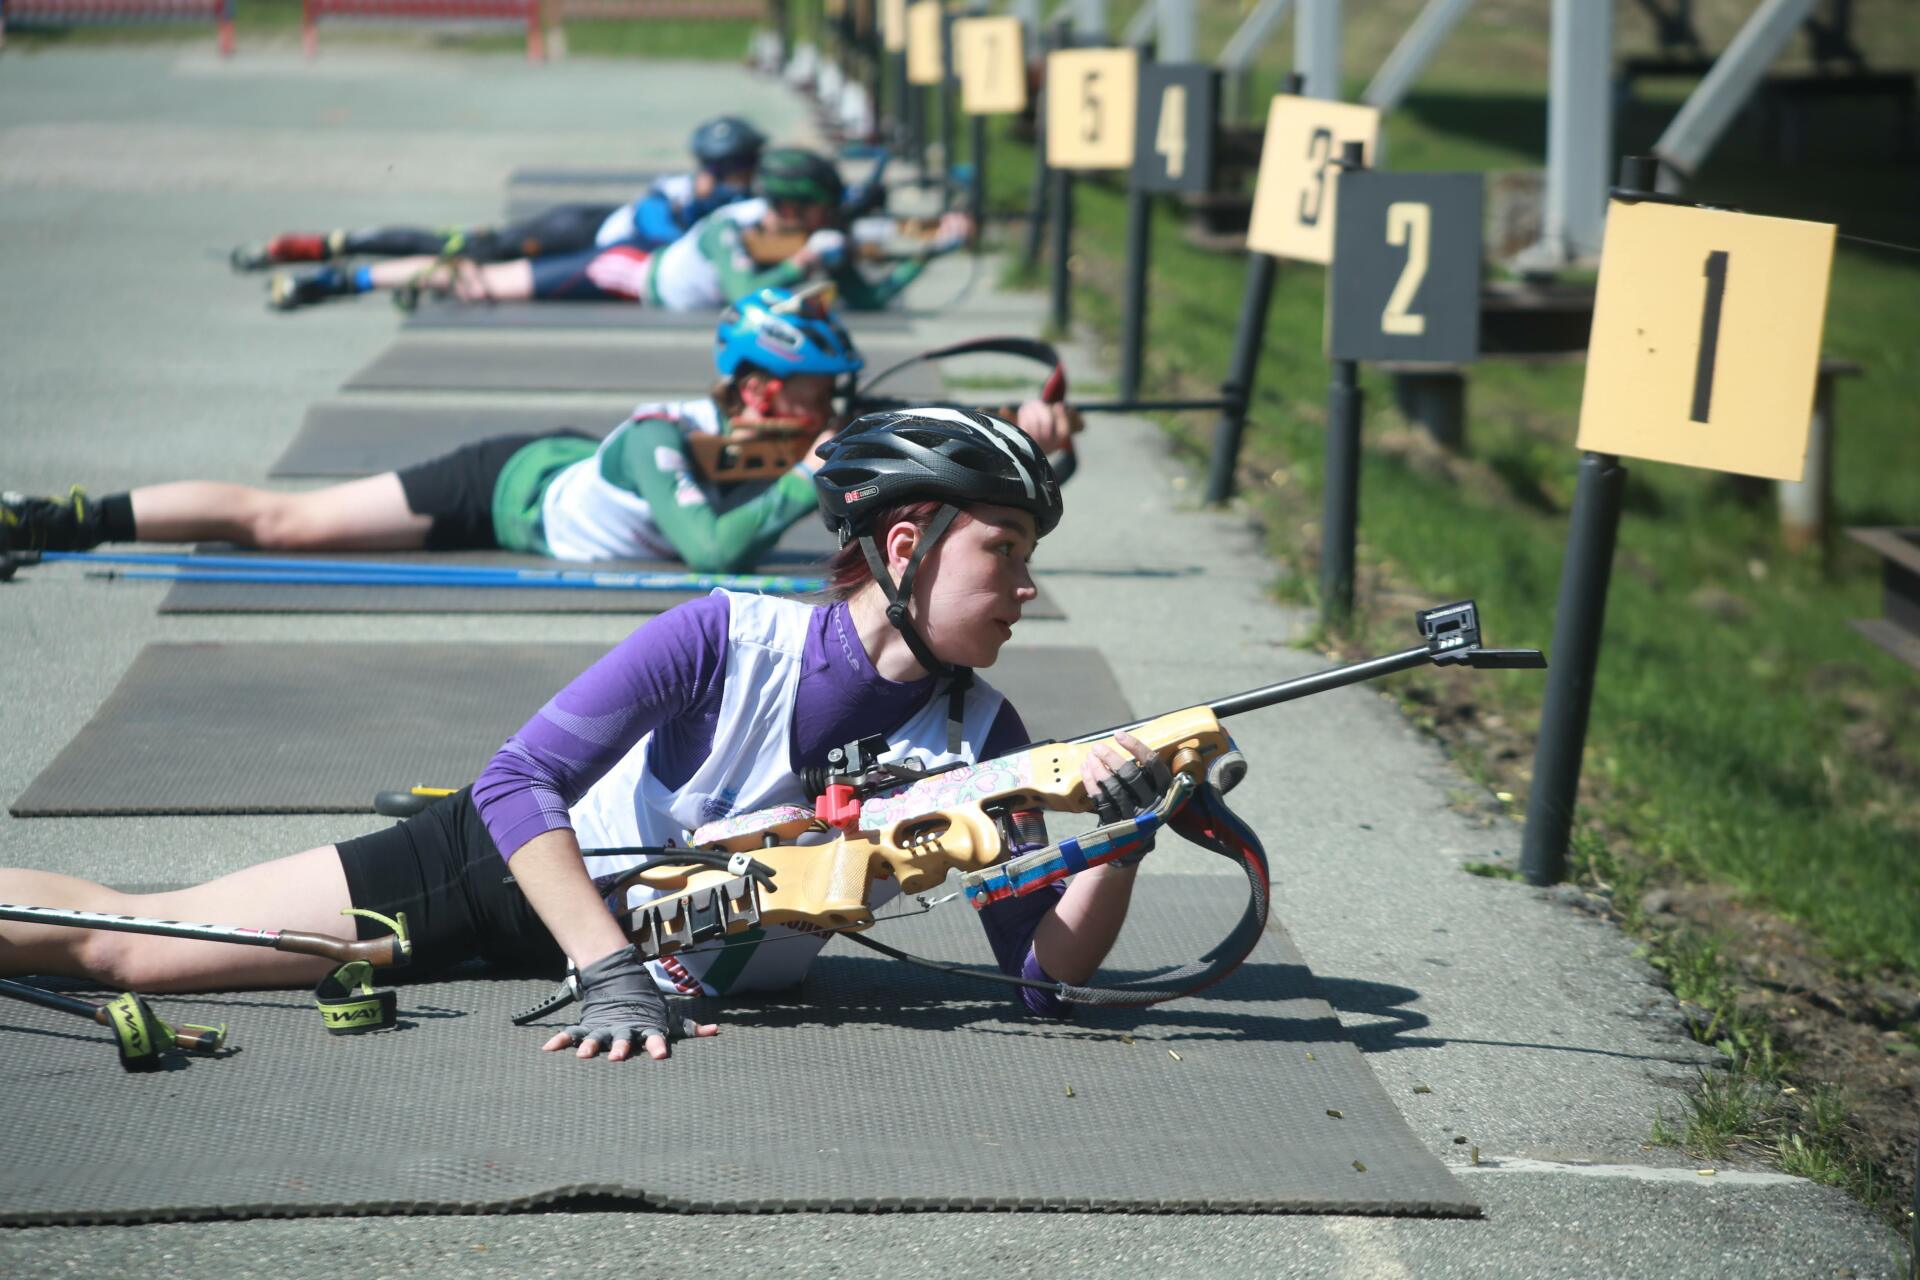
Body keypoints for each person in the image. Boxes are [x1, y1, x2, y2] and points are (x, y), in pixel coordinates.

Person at [0, 409, 1172, 1063]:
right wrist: (607, 969)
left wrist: (1119, 841)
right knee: (136, 947)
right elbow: (518, 780)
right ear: (906, 547)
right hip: (492, 874)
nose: (1027, 586)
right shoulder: (725, 634)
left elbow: (1040, 982)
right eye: (1003, 550)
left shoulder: (985, 731)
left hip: (637, 953)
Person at [1, 287, 1079, 570]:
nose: (828, 413)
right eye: (810, 392)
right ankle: (62, 517)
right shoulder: (664, 442)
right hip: (504, 485)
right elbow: (711, 549)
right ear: (754, 389)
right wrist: (807, 476)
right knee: (281, 524)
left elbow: (942, 445)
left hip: (575, 466)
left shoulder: (779, 429)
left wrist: (1034, 436)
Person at [264, 147, 968, 313]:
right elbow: (745, 297)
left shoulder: (810, 236)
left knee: (481, 270)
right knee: (481, 280)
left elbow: (872, 300)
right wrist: (806, 263)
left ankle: (352, 270)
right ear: (797, 209)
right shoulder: (732, 228)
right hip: (628, 270)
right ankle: (346, 278)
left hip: (644, 265)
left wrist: (928, 252)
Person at [230, 116, 766, 273]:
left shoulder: (739, 202)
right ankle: (332, 245)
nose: (742, 177)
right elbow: (659, 231)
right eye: (733, 169)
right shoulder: (678, 192)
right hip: (573, 232)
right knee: (464, 248)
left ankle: (340, 249)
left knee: (465, 250)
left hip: (589, 241)